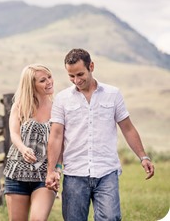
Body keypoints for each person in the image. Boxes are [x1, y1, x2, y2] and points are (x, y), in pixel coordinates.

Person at [45, 48, 155, 221]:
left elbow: (127, 128)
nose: (76, 80)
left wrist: (143, 157)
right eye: (71, 76)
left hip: (106, 172)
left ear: (92, 66)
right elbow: (56, 135)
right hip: (74, 173)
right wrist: (52, 170)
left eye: (80, 74)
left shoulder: (113, 94)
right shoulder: (62, 98)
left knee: (111, 218)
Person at [3, 64, 61, 221]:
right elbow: (14, 133)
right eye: (43, 80)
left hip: (45, 175)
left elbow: (60, 141)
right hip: (17, 174)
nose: (49, 82)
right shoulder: (20, 106)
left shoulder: (58, 108)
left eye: (49, 77)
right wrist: (23, 149)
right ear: (31, 85)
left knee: (38, 219)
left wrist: (57, 169)